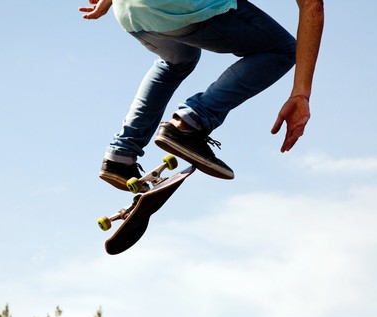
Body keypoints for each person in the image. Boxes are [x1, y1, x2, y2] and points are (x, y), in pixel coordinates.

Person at [79, 0, 324, 190]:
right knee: (281, 50)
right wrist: (301, 94)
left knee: (178, 60)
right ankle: (190, 122)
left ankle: (121, 154)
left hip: (132, 12)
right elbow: (312, 5)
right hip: (182, 6)